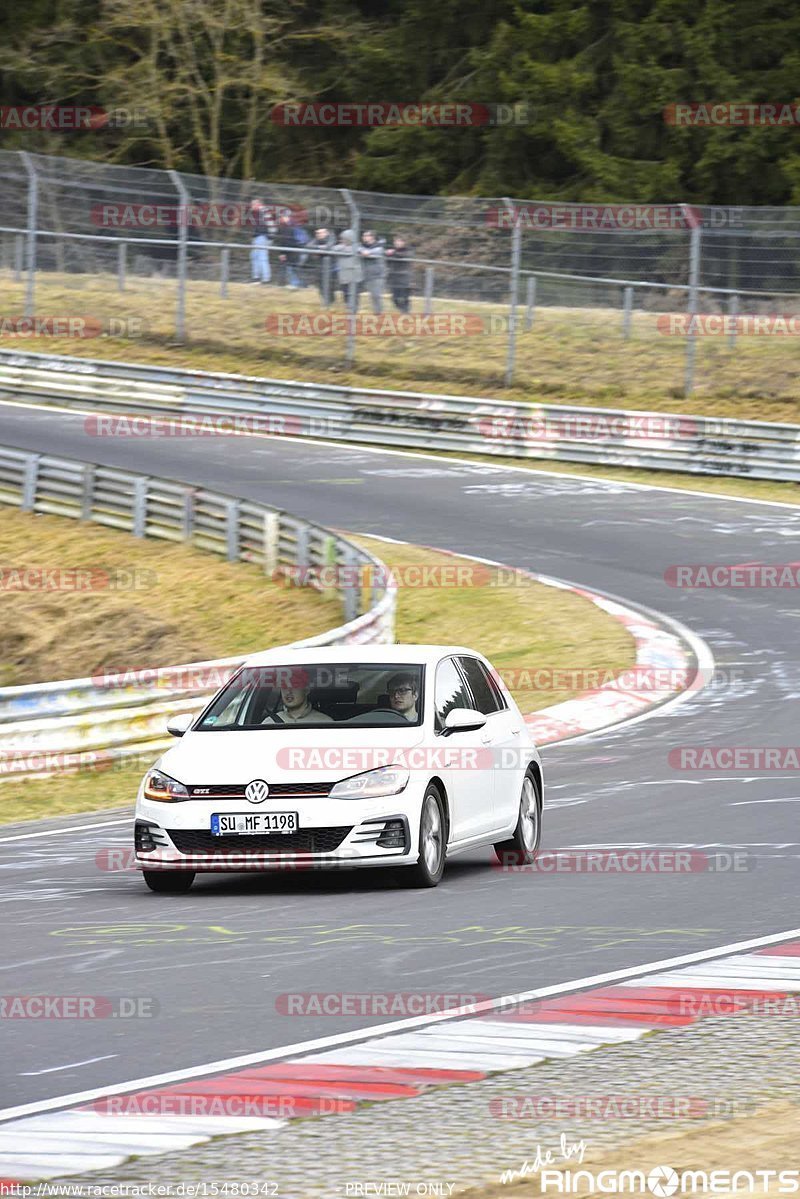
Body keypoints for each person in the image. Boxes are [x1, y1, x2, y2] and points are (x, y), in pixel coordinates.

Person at [262, 681, 333, 725]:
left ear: (306, 690)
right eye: (284, 686)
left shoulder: (325, 722)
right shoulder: (269, 722)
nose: (288, 691)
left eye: (295, 686)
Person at [273, 213, 310, 288]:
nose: (279, 220)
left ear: (285, 218)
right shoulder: (294, 225)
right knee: (294, 268)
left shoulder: (286, 227)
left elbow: (285, 241)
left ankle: (295, 284)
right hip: (299, 248)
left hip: (292, 250)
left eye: (280, 218)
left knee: (292, 268)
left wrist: (282, 253)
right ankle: (301, 284)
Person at [333, 229, 363, 308]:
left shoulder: (358, 247)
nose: (342, 240)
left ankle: (354, 310)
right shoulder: (339, 247)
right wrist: (343, 248)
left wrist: (345, 248)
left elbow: (358, 250)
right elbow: (333, 248)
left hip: (355, 275)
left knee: (354, 294)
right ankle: (349, 308)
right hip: (344, 275)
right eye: (342, 239)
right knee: (345, 294)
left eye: (345, 239)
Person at [359, 230, 386, 314]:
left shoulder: (379, 247)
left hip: (378, 275)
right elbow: (358, 248)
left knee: (376, 295)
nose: (364, 237)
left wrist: (368, 252)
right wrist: (362, 251)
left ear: (372, 237)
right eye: (363, 236)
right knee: (371, 295)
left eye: (366, 236)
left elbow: (375, 252)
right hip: (366, 274)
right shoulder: (361, 246)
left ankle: (378, 313)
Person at [385, 235, 412, 313]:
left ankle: (406, 312)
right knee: (394, 298)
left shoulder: (408, 250)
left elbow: (404, 255)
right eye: (396, 241)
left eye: (399, 241)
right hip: (394, 277)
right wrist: (387, 254)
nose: (397, 243)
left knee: (405, 297)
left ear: (403, 242)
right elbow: (388, 262)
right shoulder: (392, 252)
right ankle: (402, 310)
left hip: (404, 278)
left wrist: (393, 252)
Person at [310, 227, 336, 305]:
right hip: (319, 266)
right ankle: (326, 301)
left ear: (326, 233)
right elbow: (308, 246)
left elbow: (329, 247)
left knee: (329, 285)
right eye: (318, 233)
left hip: (331, 266)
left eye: (321, 233)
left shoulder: (332, 238)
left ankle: (330, 301)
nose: (319, 235)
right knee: (320, 284)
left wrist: (318, 250)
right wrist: (320, 248)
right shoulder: (316, 240)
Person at [248, 198, 271, 284]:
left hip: (262, 237)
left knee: (262, 257)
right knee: (254, 256)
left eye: (253, 205)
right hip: (258, 237)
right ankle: (256, 277)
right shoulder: (257, 213)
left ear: (258, 204)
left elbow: (270, 225)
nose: (251, 207)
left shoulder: (264, 212)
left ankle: (265, 279)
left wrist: (270, 238)